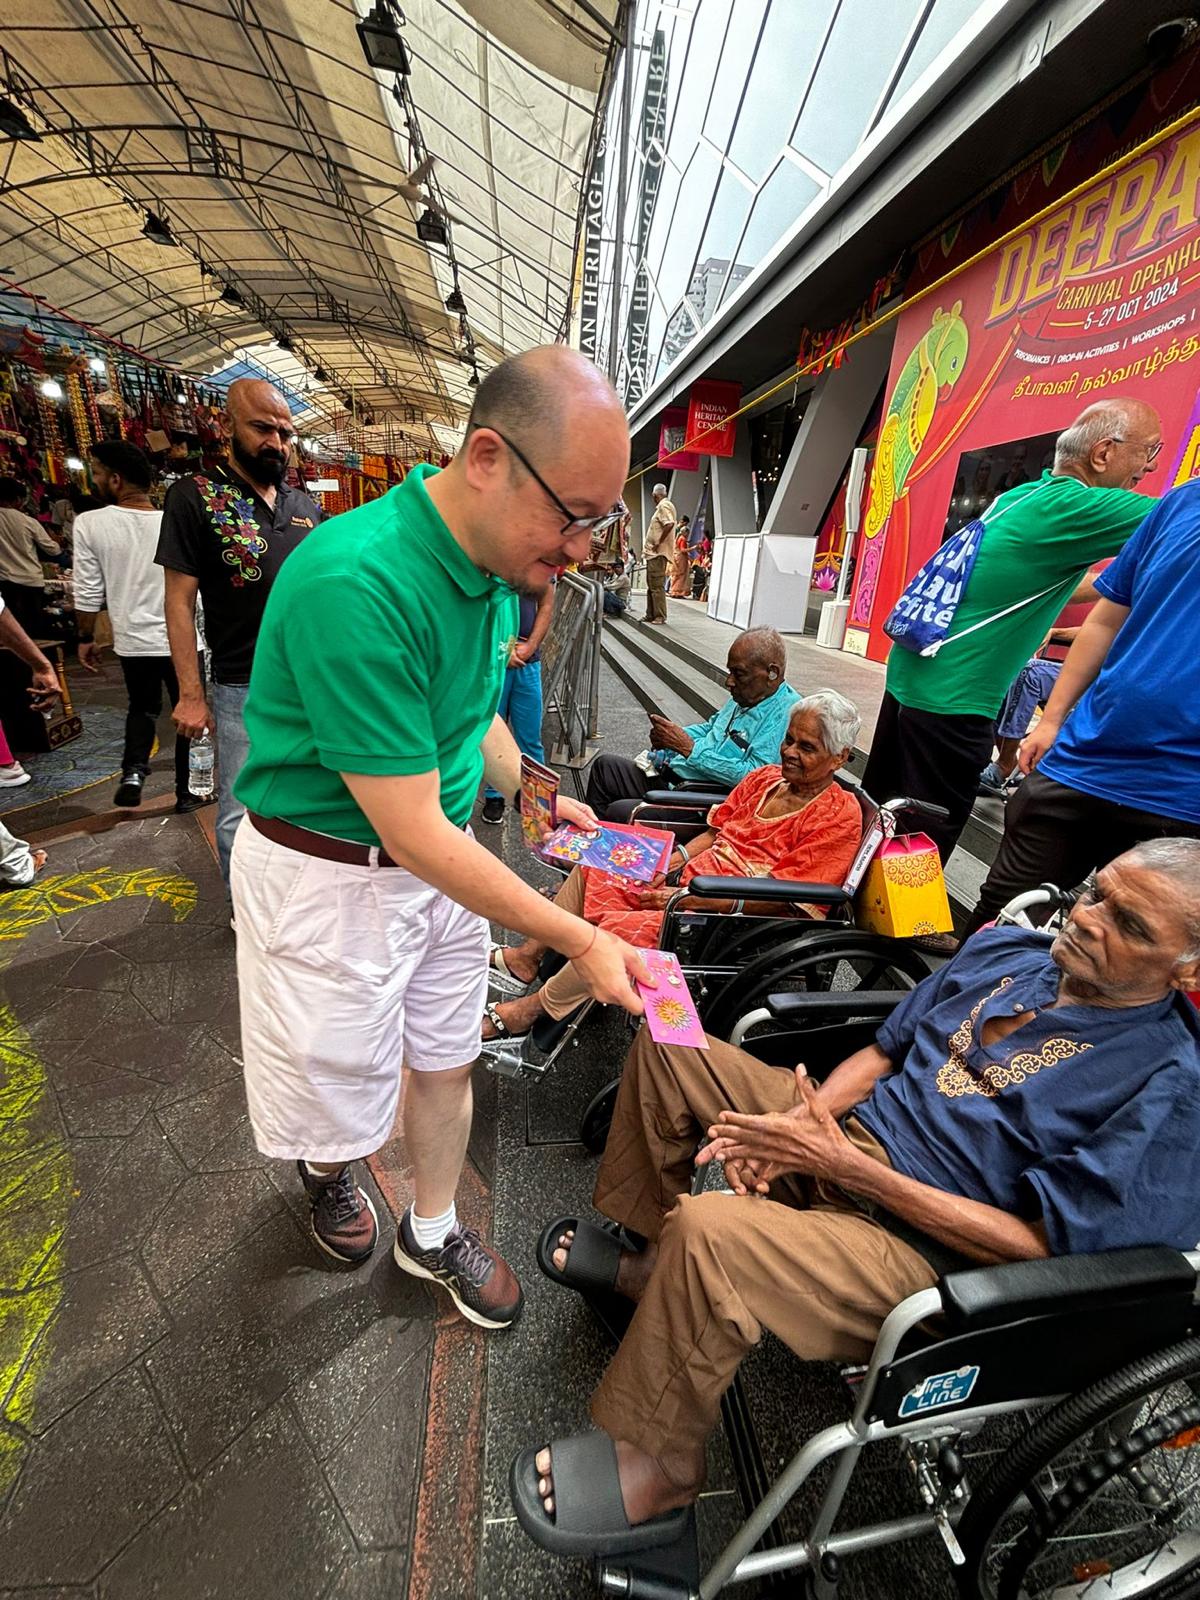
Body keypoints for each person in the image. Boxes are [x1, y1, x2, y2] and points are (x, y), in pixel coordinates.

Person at [513, 840, 1200, 1549]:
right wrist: (798, 1126)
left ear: (1190, 969)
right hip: (849, 1139)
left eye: (1133, 926)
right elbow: (885, 1051)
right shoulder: (1008, 954)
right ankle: (655, 1268)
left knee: (711, 1231)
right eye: (1096, 893)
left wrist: (844, 1166)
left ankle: (662, 1467)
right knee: (668, 1035)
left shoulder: (1171, 1084)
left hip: (927, 1251)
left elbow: (1048, 1246)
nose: (1090, 920)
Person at [229, 347, 652, 1328]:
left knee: (443, 1053)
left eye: (600, 521)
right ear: (490, 458)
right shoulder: (358, 581)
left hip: (434, 869)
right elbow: (412, 827)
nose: (582, 549)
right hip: (332, 878)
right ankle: (329, 1166)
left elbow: (467, 720)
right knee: (338, 1080)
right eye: (574, 516)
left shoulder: (493, 562)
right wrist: (583, 936)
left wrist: (541, 791)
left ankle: (430, 1227)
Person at [861, 399, 1162, 869]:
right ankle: (905, 931)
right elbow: (1183, 517)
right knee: (927, 828)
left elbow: (1049, 584)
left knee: (888, 809)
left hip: (914, 676)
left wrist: (1122, 588)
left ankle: (859, 900)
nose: (1151, 465)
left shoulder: (1021, 499)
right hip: (955, 696)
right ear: (1103, 453)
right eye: (1149, 450)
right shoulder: (1075, 505)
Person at [483, 693, 863, 1042]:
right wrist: (672, 864)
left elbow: (784, 902)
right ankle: (528, 958)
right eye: (789, 740)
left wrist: (683, 899)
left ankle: (529, 1011)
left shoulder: (837, 815)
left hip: (730, 912)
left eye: (807, 747)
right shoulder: (766, 778)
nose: (790, 752)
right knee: (599, 865)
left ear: (840, 757)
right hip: (694, 879)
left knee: (616, 934)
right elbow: (715, 832)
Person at [965, 477, 1200, 936]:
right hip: (1086, 757)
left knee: (1131, 954)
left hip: (1183, 794)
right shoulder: (1181, 502)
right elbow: (1108, 620)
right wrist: (1052, 719)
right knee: (1002, 916)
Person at [156, 378, 323, 894]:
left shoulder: (305, 505)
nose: (277, 443)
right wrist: (189, 694)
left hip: (312, 684)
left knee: (308, 799)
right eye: (263, 428)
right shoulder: (193, 497)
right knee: (238, 809)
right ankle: (241, 908)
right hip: (241, 684)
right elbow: (178, 602)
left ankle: (294, 896)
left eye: (286, 433)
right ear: (228, 425)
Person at [73, 441, 206, 814]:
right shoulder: (174, 521)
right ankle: (187, 792)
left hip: (133, 641)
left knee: (142, 708)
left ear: (115, 479)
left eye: (97, 473)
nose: (94, 480)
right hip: (184, 638)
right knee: (190, 712)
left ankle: (133, 773)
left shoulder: (90, 524)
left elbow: (86, 590)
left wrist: (85, 637)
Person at [585, 627, 799, 821]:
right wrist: (672, 736)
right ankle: (589, 847)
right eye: (730, 672)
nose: (729, 681)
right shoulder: (747, 696)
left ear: (773, 673)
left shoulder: (787, 714)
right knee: (605, 768)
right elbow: (712, 727)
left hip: (702, 798)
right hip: (676, 776)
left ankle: (612, 852)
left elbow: (754, 776)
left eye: (739, 674)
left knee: (620, 811)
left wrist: (689, 749)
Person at [977, 563, 1109, 797]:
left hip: (1119, 681)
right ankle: (1005, 761)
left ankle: (1005, 766)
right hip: (1095, 671)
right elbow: (1103, 628)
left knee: (1031, 674)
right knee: (1017, 669)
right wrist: (1055, 632)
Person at [481, 580, 555, 824]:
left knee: (530, 736)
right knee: (489, 729)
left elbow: (546, 601)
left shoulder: (540, 562)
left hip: (528, 662)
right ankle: (494, 796)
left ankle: (541, 804)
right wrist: (503, 650)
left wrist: (529, 646)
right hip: (493, 662)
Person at [0, 476, 60, 636]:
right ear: (18, 499)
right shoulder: (28, 521)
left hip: (5, 584)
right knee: (34, 629)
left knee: (11, 632)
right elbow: (53, 549)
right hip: (31, 581)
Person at [642, 483, 675, 624]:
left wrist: (658, 542)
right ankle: (650, 614)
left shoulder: (664, 506)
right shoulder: (664, 506)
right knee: (652, 585)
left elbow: (669, 523)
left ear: (655, 495)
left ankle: (660, 615)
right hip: (653, 554)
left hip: (657, 553)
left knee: (656, 586)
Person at [669, 516, 691, 597]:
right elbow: (682, 549)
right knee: (681, 575)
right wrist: (692, 548)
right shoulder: (682, 539)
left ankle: (673, 591)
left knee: (675, 575)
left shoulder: (678, 536)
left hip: (675, 556)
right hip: (681, 557)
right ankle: (678, 592)